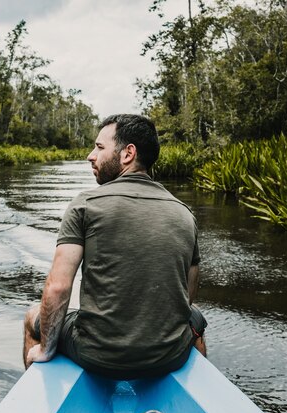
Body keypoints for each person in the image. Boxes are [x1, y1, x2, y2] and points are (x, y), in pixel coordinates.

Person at [23, 114, 206, 379]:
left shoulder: (85, 204)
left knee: (32, 319)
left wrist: (46, 350)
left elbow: (59, 287)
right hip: (169, 356)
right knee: (197, 319)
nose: (90, 156)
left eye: (99, 148)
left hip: (96, 354)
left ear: (127, 154)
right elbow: (187, 295)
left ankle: (37, 399)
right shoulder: (184, 213)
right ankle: (195, 390)